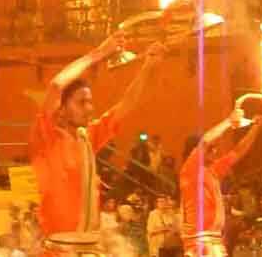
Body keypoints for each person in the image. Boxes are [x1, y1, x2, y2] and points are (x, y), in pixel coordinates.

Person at [29, 35, 166, 235]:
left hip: (90, 246)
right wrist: (99, 54)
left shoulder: (88, 136)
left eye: (90, 102)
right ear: (62, 109)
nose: (89, 108)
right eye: (81, 102)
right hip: (59, 249)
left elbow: (127, 103)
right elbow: (57, 86)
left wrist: (148, 66)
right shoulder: (47, 138)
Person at [178, 111, 262, 257]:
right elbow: (206, 140)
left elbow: (238, 152)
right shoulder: (190, 169)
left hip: (214, 241)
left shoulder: (212, 170)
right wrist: (228, 122)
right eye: (211, 148)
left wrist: (255, 129)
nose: (215, 151)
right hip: (199, 243)